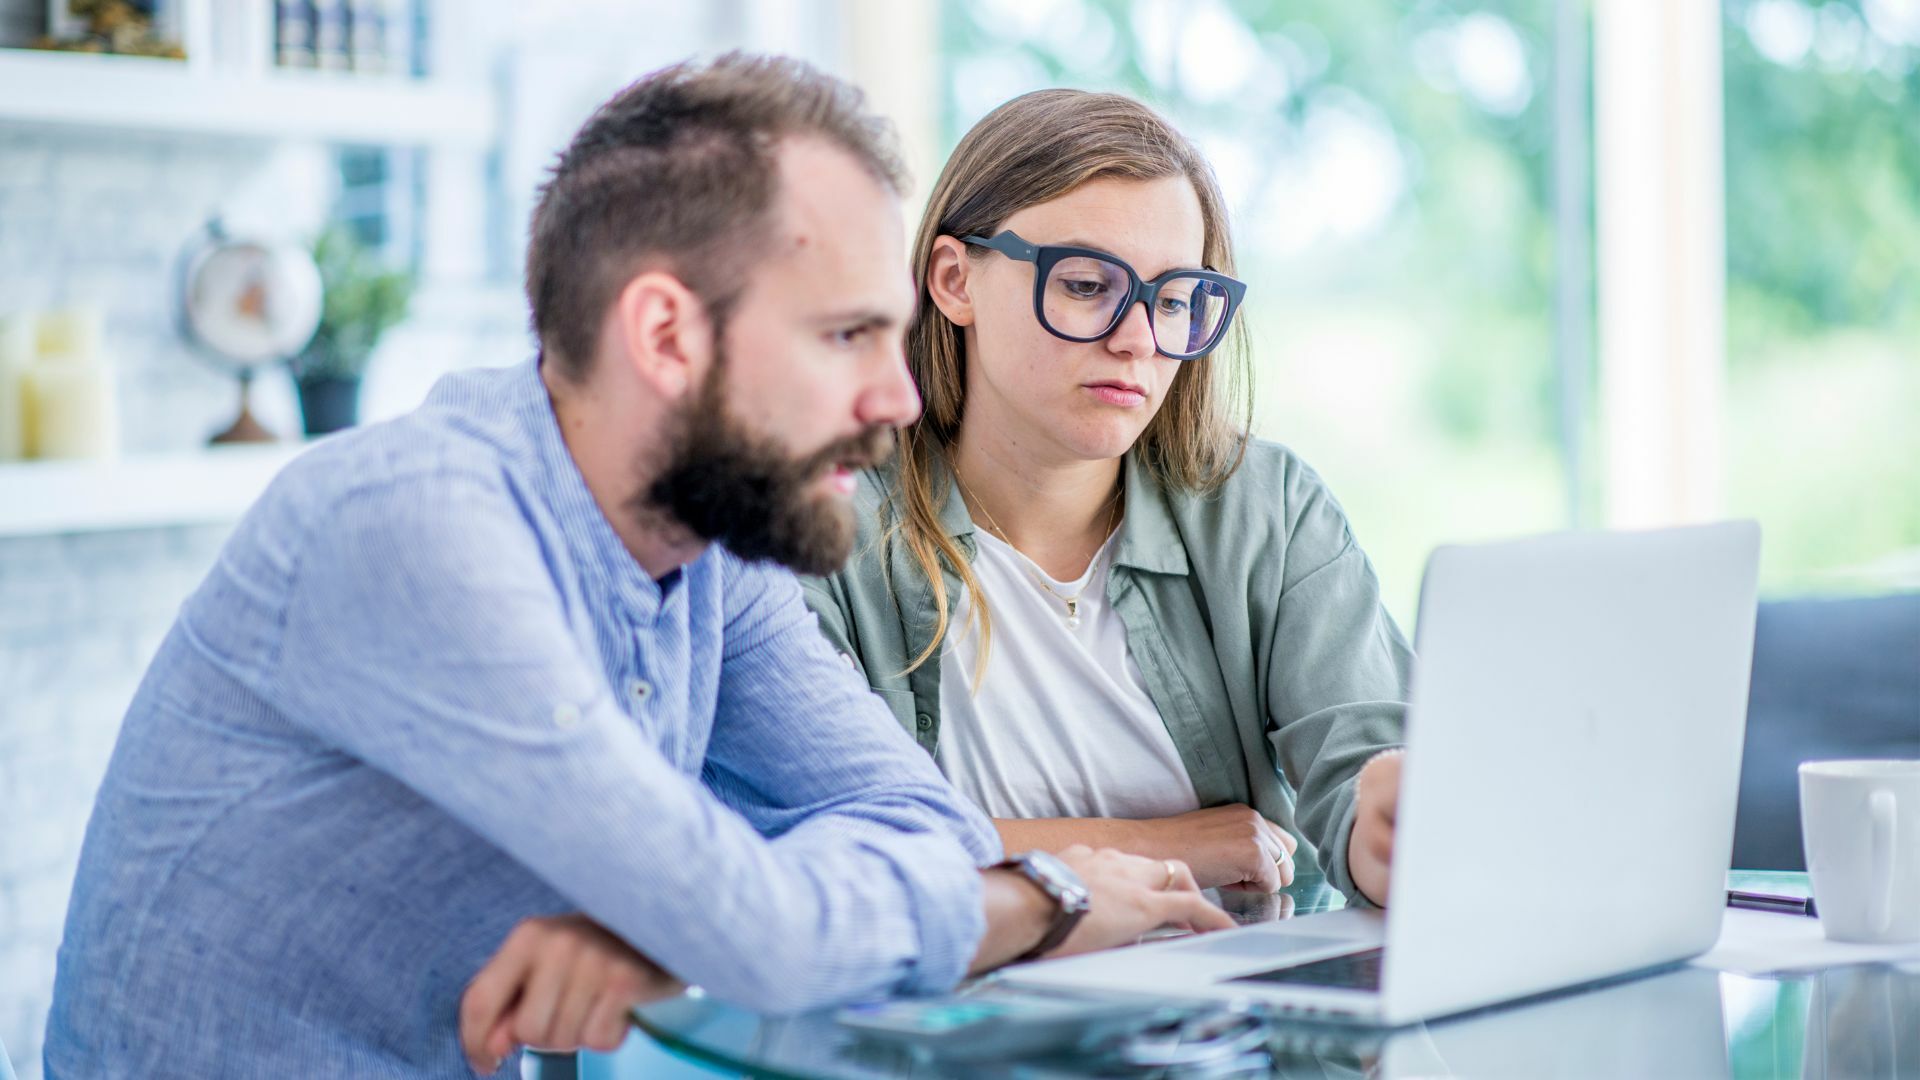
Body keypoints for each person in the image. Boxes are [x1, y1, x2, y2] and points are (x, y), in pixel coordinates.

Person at [43, 56, 1231, 1079]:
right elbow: (764, 932)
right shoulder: (417, 528)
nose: (901, 398)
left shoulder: (709, 539)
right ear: (665, 336)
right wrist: (1042, 897)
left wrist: (687, 925)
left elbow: (919, 822)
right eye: (845, 336)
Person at [801, 89, 1410, 908]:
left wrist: (1386, 832)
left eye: (1173, 300)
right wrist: (1165, 848)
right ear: (954, 280)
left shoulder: (1268, 509)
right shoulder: (826, 522)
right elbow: (825, 844)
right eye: (1088, 285)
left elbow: (1365, 786)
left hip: (1234, 989)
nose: (1137, 341)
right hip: (968, 991)